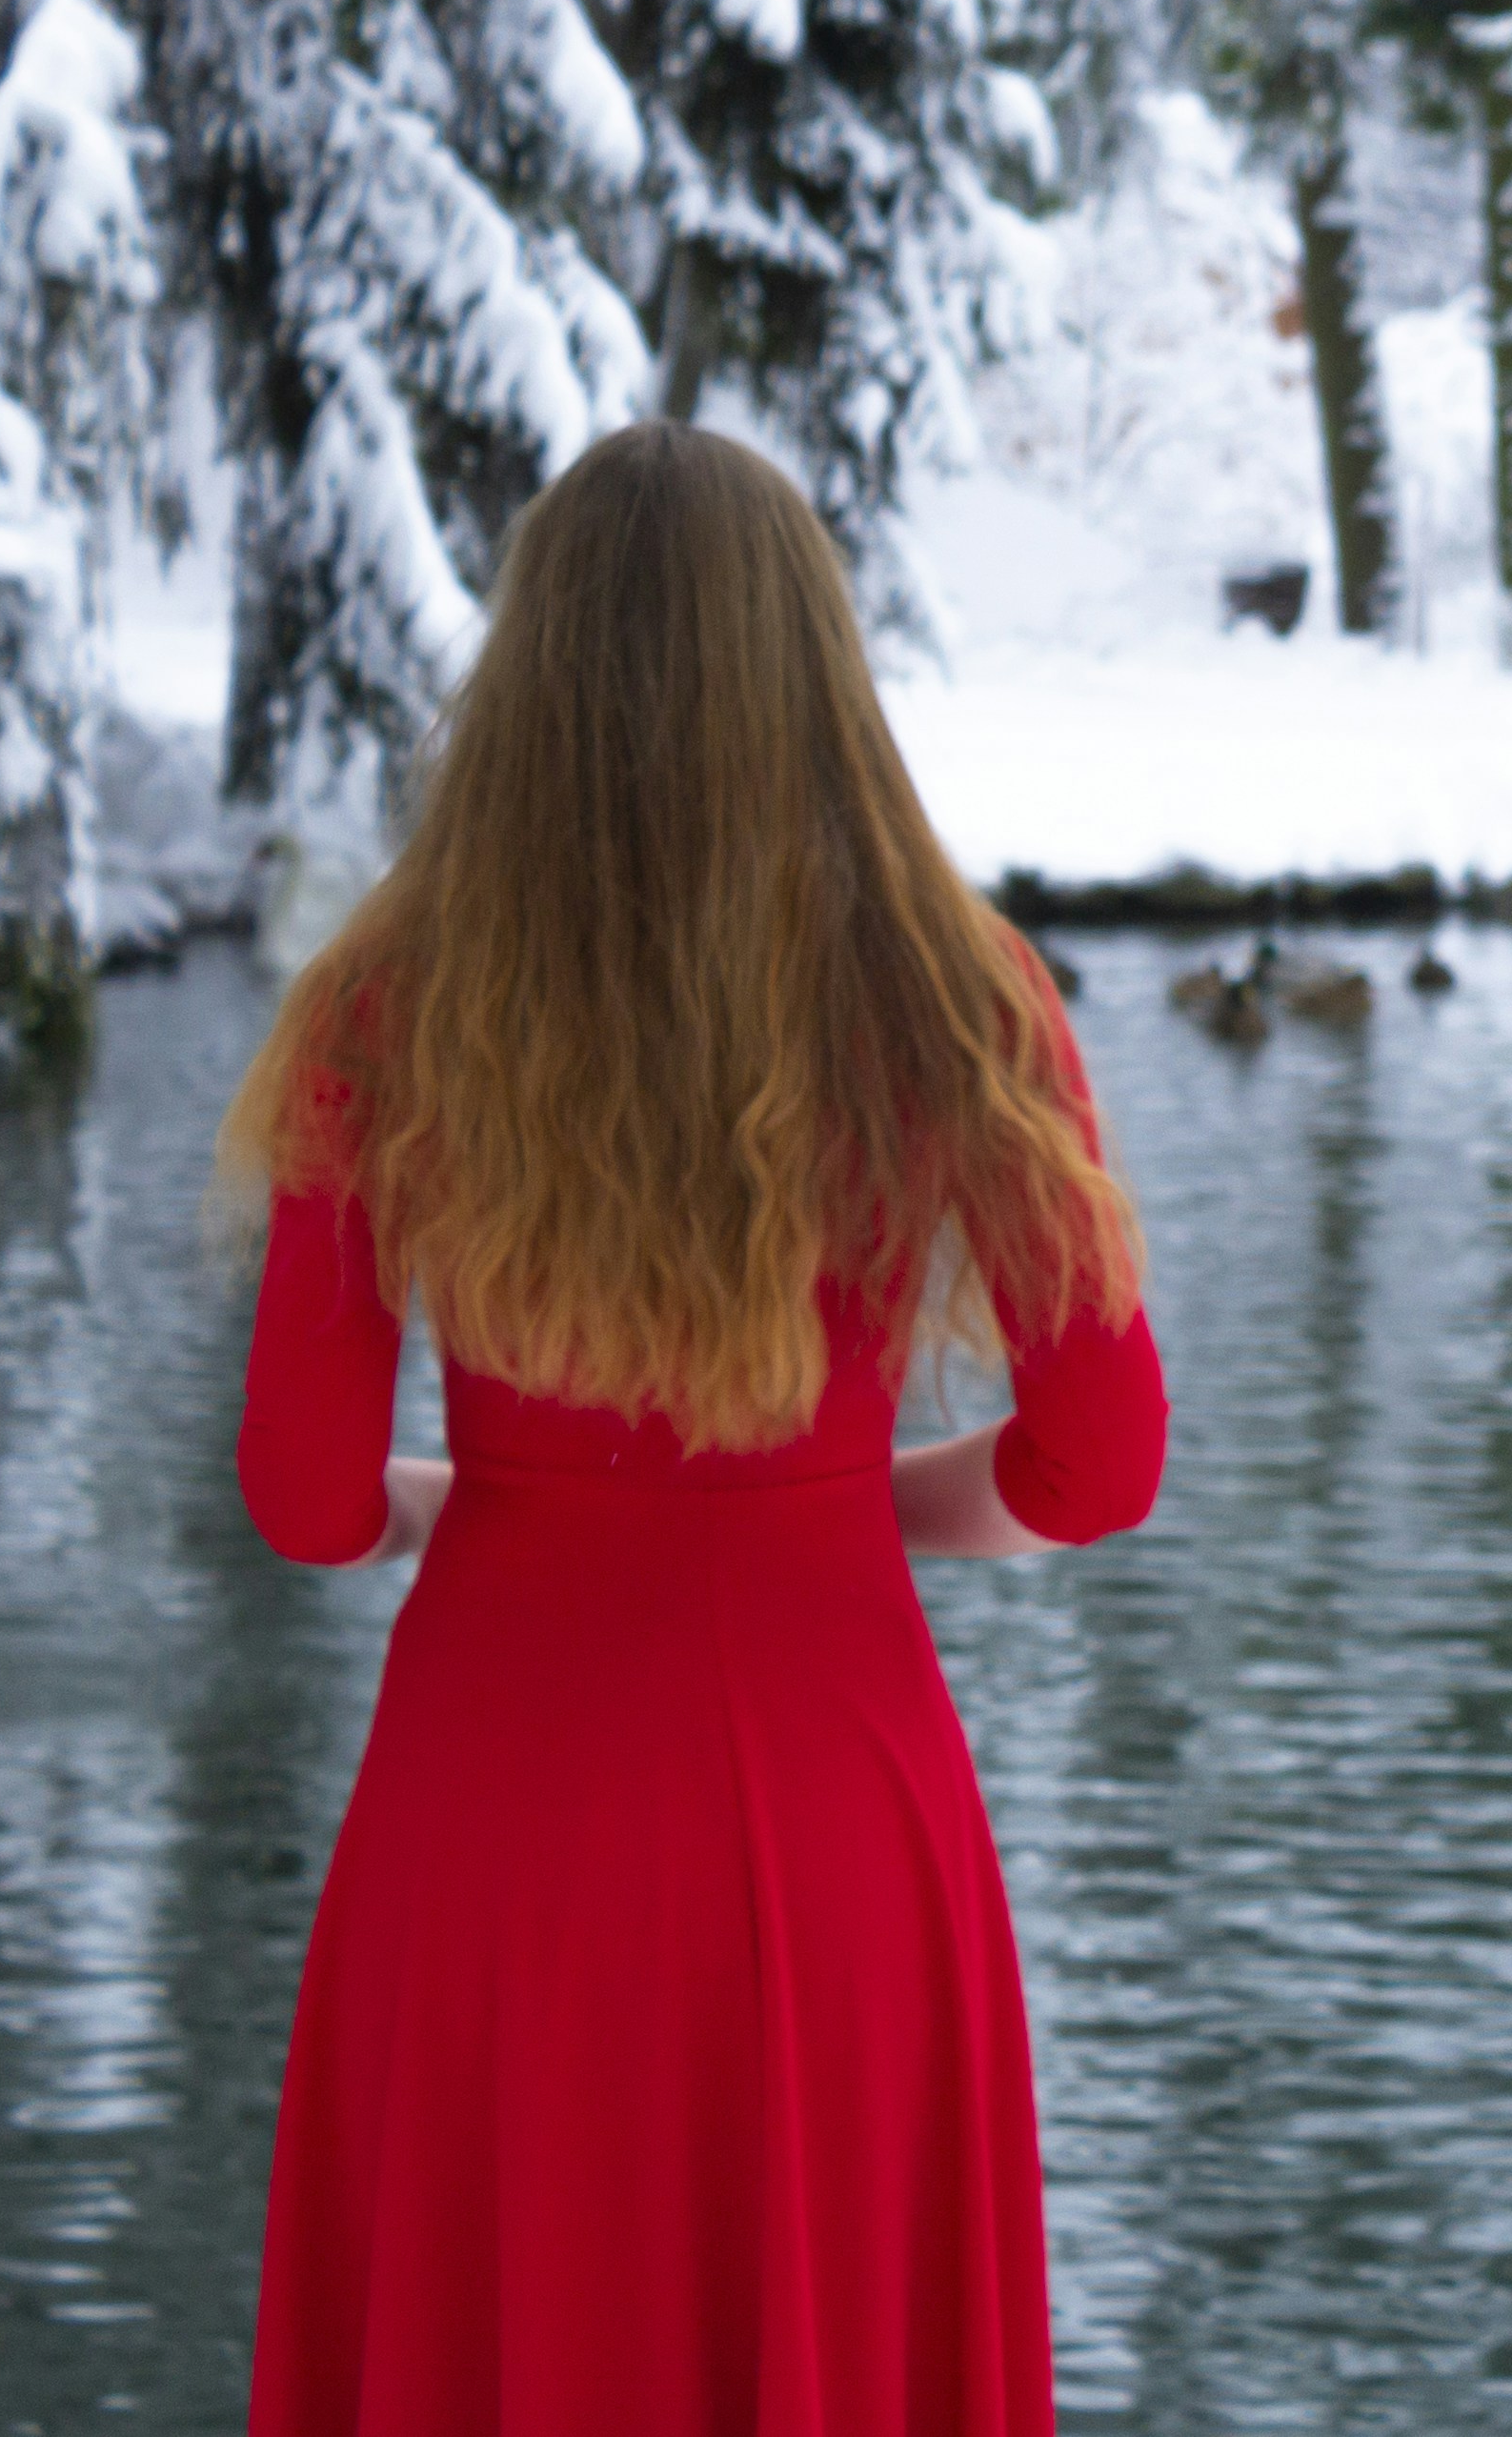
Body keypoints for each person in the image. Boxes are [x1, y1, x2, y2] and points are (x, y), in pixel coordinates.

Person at [215, 423, 1170, 2437]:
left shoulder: (385, 1007)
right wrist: (832, 1509)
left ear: (529, 675)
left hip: (497, 1824)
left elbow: (300, 1502)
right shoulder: (955, 994)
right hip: (840, 1825)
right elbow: (1098, 1465)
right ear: (815, 669)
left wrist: (467, 1511)